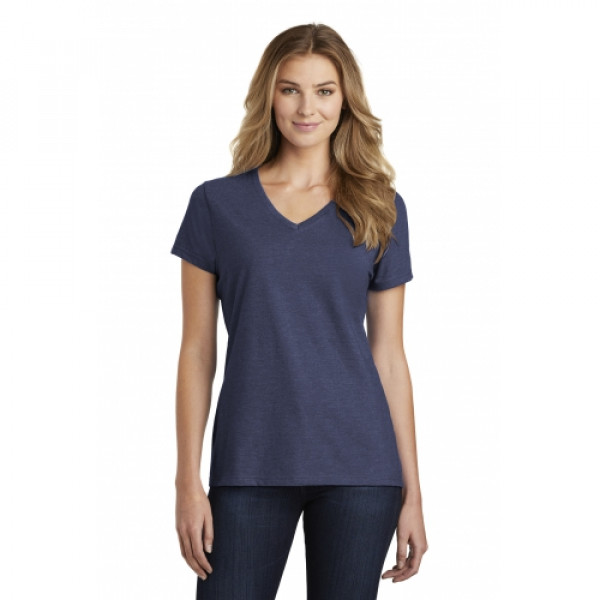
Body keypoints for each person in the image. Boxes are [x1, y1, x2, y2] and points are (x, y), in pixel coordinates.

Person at [171, 22, 428, 600]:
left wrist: (413, 492)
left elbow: (389, 356)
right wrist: (188, 479)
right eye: (290, 89)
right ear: (269, 95)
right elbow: (197, 351)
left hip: (362, 467)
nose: (307, 107)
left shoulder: (381, 207)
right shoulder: (216, 205)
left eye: (324, 91)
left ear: (345, 99)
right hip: (249, 462)